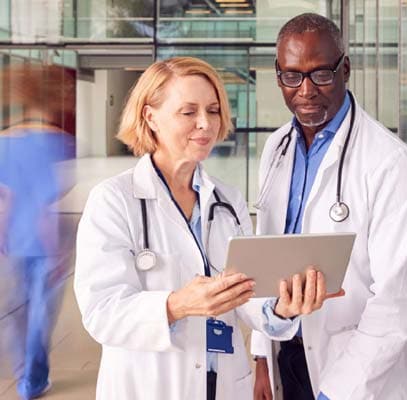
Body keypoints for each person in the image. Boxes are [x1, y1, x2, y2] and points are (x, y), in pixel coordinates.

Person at [73, 56, 334, 400]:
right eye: (188, 112)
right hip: (152, 386)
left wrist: (282, 308)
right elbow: (101, 313)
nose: (206, 124)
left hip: (224, 384)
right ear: (150, 116)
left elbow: (248, 294)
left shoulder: (228, 200)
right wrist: (177, 305)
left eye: (213, 111)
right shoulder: (113, 201)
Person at [251, 12, 407, 400]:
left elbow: (396, 297)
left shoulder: (389, 162)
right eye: (292, 76)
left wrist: (339, 392)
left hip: (352, 363)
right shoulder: (276, 148)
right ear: (278, 74)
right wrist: (259, 355)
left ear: (345, 69)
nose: (305, 90)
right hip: (285, 347)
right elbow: (265, 252)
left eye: (321, 74)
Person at [0, 63, 76, 400]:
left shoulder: (6, 140)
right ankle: (32, 381)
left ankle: (23, 372)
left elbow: (6, 198)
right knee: (39, 314)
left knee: (19, 308)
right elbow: (47, 207)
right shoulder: (58, 141)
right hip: (44, 242)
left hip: (16, 238)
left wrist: (2, 233)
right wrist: (57, 250)